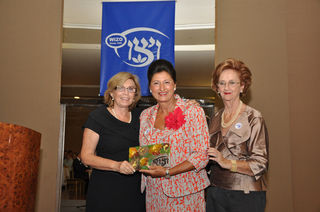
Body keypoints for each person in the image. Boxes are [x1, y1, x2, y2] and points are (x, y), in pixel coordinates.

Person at [139, 59, 210, 211]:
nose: (162, 88)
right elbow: (145, 153)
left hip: (186, 193)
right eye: (156, 83)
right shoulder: (145, 116)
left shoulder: (192, 111)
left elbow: (201, 156)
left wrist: (167, 172)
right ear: (150, 87)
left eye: (167, 82)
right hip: (154, 194)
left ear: (175, 85)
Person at [206, 58, 269, 212]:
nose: (226, 87)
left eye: (232, 82)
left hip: (245, 194)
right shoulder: (214, 118)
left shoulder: (253, 117)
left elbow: (260, 163)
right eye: (222, 83)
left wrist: (228, 163)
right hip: (215, 192)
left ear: (242, 86)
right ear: (217, 88)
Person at [80, 72, 145, 212]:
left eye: (131, 89)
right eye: (120, 88)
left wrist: (188, 105)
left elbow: (167, 111)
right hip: (105, 191)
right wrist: (116, 166)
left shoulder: (142, 116)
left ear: (135, 94)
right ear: (111, 93)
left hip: (135, 191)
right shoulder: (98, 117)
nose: (126, 93)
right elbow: (86, 156)